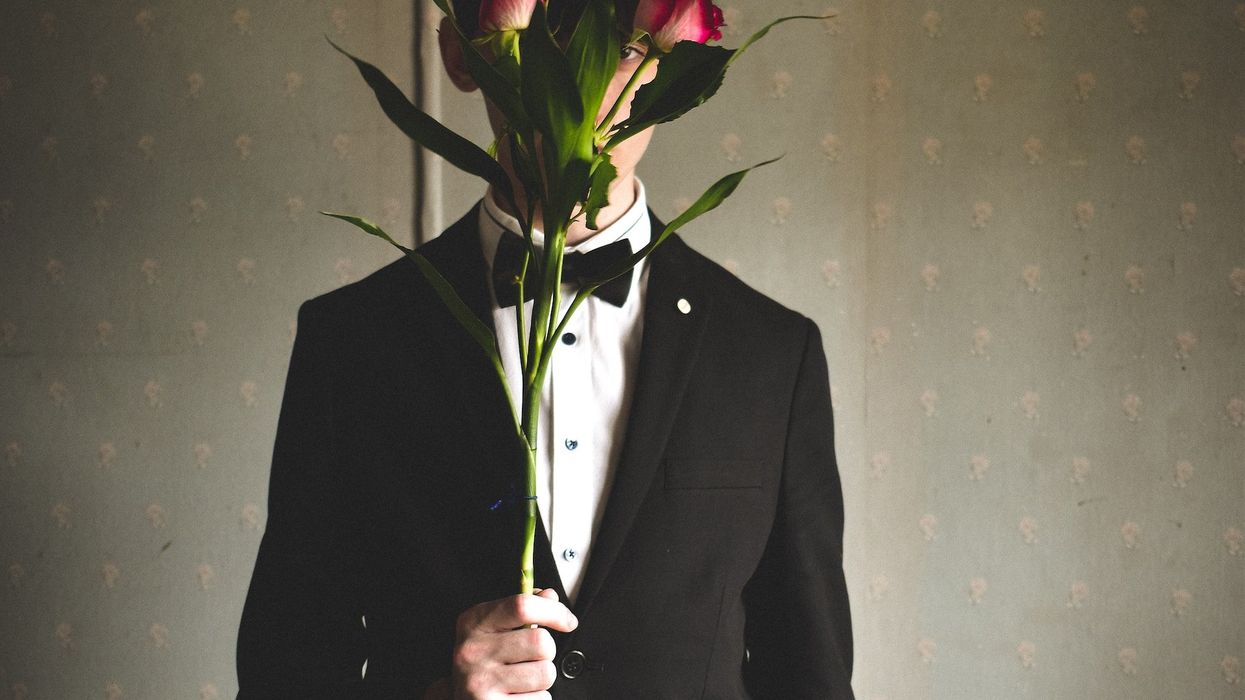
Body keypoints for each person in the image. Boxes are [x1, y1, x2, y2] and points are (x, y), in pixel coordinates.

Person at [236, 2, 853, 697]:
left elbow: (811, 677)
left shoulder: (772, 354)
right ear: (462, 53)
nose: (578, 86)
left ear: (675, 66)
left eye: (621, 46)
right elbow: (282, 674)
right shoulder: (352, 342)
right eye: (547, 37)